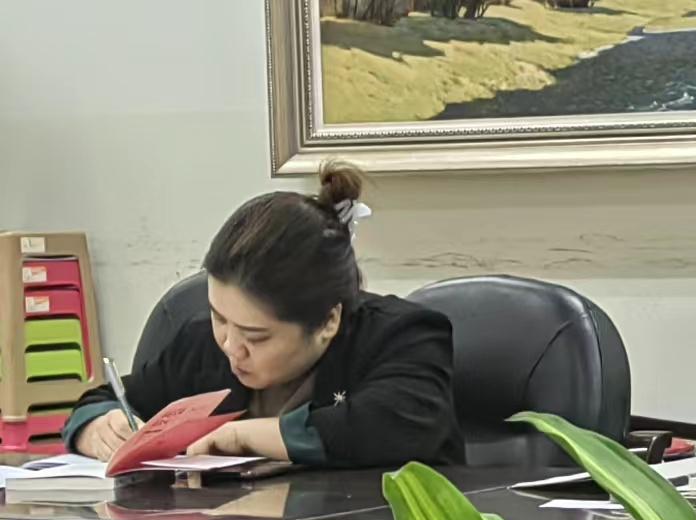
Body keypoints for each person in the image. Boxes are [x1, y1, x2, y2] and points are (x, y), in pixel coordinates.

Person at [66, 163, 465, 468]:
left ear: (328, 322)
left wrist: (245, 436)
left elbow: (394, 425)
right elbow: (104, 399)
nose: (231, 347)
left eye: (256, 336)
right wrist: (99, 426)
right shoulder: (204, 345)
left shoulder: (403, 336)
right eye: (219, 317)